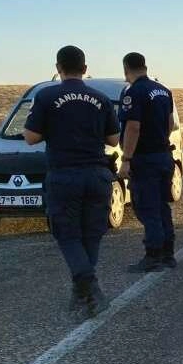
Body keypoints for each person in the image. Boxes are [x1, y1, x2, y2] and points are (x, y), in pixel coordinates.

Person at [24, 46, 120, 317]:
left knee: (68, 235)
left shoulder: (46, 95)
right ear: (85, 69)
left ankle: (88, 286)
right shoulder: (100, 98)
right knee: (92, 234)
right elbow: (114, 139)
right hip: (97, 174)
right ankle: (83, 292)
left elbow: (31, 137)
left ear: (58, 68)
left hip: (65, 175)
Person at [117, 52, 176, 272]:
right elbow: (170, 123)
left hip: (145, 159)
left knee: (147, 208)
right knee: (161, 206)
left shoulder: (134, 92)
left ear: (126, 68)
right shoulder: (163, 90)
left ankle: (153, 257)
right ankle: (168, 255)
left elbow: (133, 127)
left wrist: (126, 159)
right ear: (145, 66)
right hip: (163, 156)